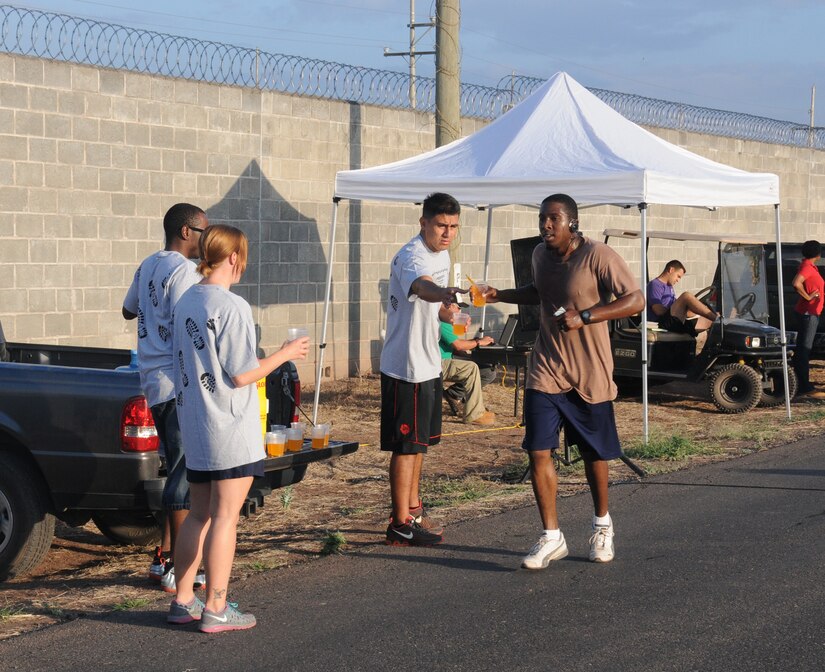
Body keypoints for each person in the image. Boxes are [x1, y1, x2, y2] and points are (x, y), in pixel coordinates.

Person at [484, 193, 644, 568]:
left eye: (554, 219)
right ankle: (551, 536)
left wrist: (586, 316)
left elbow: (635, 299)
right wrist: (501, 293)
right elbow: (539, 294)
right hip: (547, 366)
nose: (546, 225)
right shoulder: (539, 255)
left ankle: (602, 525)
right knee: (538, 449)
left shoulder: (598, 255)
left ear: (571, 222)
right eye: (543, 218)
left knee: (595, 454)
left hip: (590, 371)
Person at [168, 224, 309, 632]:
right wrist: (285, 354)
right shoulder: (231, 306)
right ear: (233, 258)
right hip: (228, 425)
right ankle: (215, 605)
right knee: (225, 517)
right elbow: (244, 374)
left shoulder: (186, 301)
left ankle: (183, 599)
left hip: (194, 421)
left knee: (198, 514)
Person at [122, 203, 207, 592]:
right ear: (186, 232)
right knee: (182, 472)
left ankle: (163, 557)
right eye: (203, 232)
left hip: (154, 380)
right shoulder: (186, 271)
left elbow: (128, 310)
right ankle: (178, 566)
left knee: (175, 463)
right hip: (178, 382)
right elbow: (189, 325)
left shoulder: (147, 264)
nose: (207, 240)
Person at [380, 192, 464, 546]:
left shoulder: (441, 253)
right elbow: (422, 287)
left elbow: (436, 306)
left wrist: (451, 312)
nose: (447, 233)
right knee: (406, 446)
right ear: (424, 223)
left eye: (454, 226)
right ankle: (400, 523)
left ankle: (413, 509)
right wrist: (442, 292)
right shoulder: (411, 255)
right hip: (406, 366)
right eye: (441, 225)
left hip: (429, 363)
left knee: (420, 445)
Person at [438, 302, 496, 425]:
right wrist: (478, 342)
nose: (459, 311)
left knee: (487, 371)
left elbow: (454, 345)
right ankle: (474, 414)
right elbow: (458, 345)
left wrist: (468, 353)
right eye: (458, 307)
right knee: (471, 368)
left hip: (443, 361)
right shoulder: (442, 323)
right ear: (448, 306)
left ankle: (453, 395)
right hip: (438, 363)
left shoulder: (445, 323)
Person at [647, 260, 718, 337]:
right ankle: (716, 318)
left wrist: (693, 310)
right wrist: (679, 309)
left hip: (673, 321)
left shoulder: (669, 287)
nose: (678, 280)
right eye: (678, 276)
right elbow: (658, 310)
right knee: (686, 296)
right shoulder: (655, 285)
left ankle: (720, 322)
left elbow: (675, 307)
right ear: (671, 270)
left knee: (708, 319)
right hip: (660, 324)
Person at [792, 240, 824, 399]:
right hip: (808, 314)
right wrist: (809, 297)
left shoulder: (809, 266)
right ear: (818, 254)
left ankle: (800, 384)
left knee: (803, 349)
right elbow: (796, 283)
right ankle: (803, 386)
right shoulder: (807, 267)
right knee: (804, 350)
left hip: (810, 312)